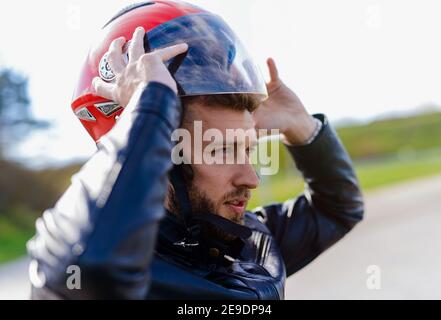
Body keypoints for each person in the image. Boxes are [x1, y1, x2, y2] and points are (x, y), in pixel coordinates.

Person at [27, 0, 364, 299]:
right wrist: (149, 106)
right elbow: (84, 265)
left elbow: (338, 209)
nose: (251, 178)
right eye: (220, 150)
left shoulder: (250, 245)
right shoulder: (128, 278)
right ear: (154, 147)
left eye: (248, 149)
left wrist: (302, 126)